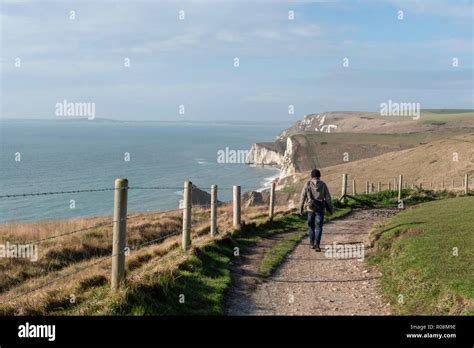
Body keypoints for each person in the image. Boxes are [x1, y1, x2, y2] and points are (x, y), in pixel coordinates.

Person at [299, 169, 333, 252]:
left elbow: (302, 196)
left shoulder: (307, 184)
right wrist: (331, 209)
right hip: (320, 209)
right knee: (319, 227)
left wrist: (301, 208)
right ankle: (317, 244)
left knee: (311, 226)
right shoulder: (323, 184)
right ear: (319, 176)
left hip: (310, 208)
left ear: (311, 176)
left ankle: (311, 243)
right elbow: (328, 198)